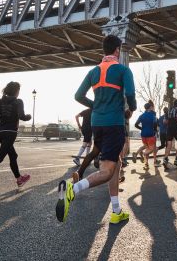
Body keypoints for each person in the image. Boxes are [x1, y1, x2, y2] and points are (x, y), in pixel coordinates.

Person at [56, 35, 136, 224]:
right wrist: (130, 109)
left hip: (96, 123)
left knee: (115, 162)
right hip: (113, 123)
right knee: (107, 170)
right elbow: (131, 94)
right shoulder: (123, 70)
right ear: (117, 50)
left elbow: (78, 95)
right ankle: (72, 189)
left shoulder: (93, 71)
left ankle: (116, 211)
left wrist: (96, 105)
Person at [134, 103, 158, 170]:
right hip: (150, 134)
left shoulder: (141, 116)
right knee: (152, 149)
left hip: (143, 135)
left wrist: (142, 128)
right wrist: (155, 131)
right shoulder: (153, 115)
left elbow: (136, 125)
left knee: (147, 148)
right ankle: (142, 153)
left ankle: (146, 164)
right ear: (150, 107)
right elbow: (155, 124)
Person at [163, 99, 177, 169]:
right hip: (176, 127)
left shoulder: (168, 110)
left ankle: (165, 159)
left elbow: (164, 121)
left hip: (169, 128)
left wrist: (170, 121)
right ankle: (176, 160)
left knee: (169, 144)